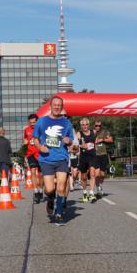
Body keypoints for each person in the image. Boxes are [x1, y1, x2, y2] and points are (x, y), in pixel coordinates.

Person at [31, 96, 76, 224]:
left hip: (61, 158)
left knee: (61, 187)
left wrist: (69, 141)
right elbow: (35, 139)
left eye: (59, 105)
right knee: (50, 189)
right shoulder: (42, 122)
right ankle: (50, 199)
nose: (57, 107)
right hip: (46, 159)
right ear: (50, 106)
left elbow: (71, 139)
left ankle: (59, 213)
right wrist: (40, 147)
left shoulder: (66, 123)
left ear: (62, 107)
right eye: (55, 105)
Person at [22, 114, 43, 203]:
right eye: (31, 123)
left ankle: (41, 190)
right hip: (31, 154)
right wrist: (24, 153)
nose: (32, 124)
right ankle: (36, 191)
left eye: (34, 122)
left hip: (41, 154)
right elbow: (25, 141)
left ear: (37, 121)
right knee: (33, 171)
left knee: (41, 174)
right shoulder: (26, 130)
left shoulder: (42, 129)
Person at [92, 120, 114, 198]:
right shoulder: (92, 132)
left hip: (103, 155)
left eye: (99, 126)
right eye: (96, 126)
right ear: (94, 126)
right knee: (97, 174)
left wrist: (103, 140)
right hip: (95, 155)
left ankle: (100, 185)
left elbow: (111, 140)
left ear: (101, 126)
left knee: (102, 174)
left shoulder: (104, 132)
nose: (98, 127)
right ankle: (98, 188)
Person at [77, 118, 97, 203]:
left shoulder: (94, 132)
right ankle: (85, 192)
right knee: (84, 177)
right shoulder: (79, 133)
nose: (85, 126)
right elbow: (75, 144)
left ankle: (91, 193)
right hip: (83, 156)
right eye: (83, 125)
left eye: (86, 124)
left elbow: (95, 143)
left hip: (92, 155)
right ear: (81, 126)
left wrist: (95, 148)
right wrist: (82, 146)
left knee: (92, 173)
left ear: (89, 125)